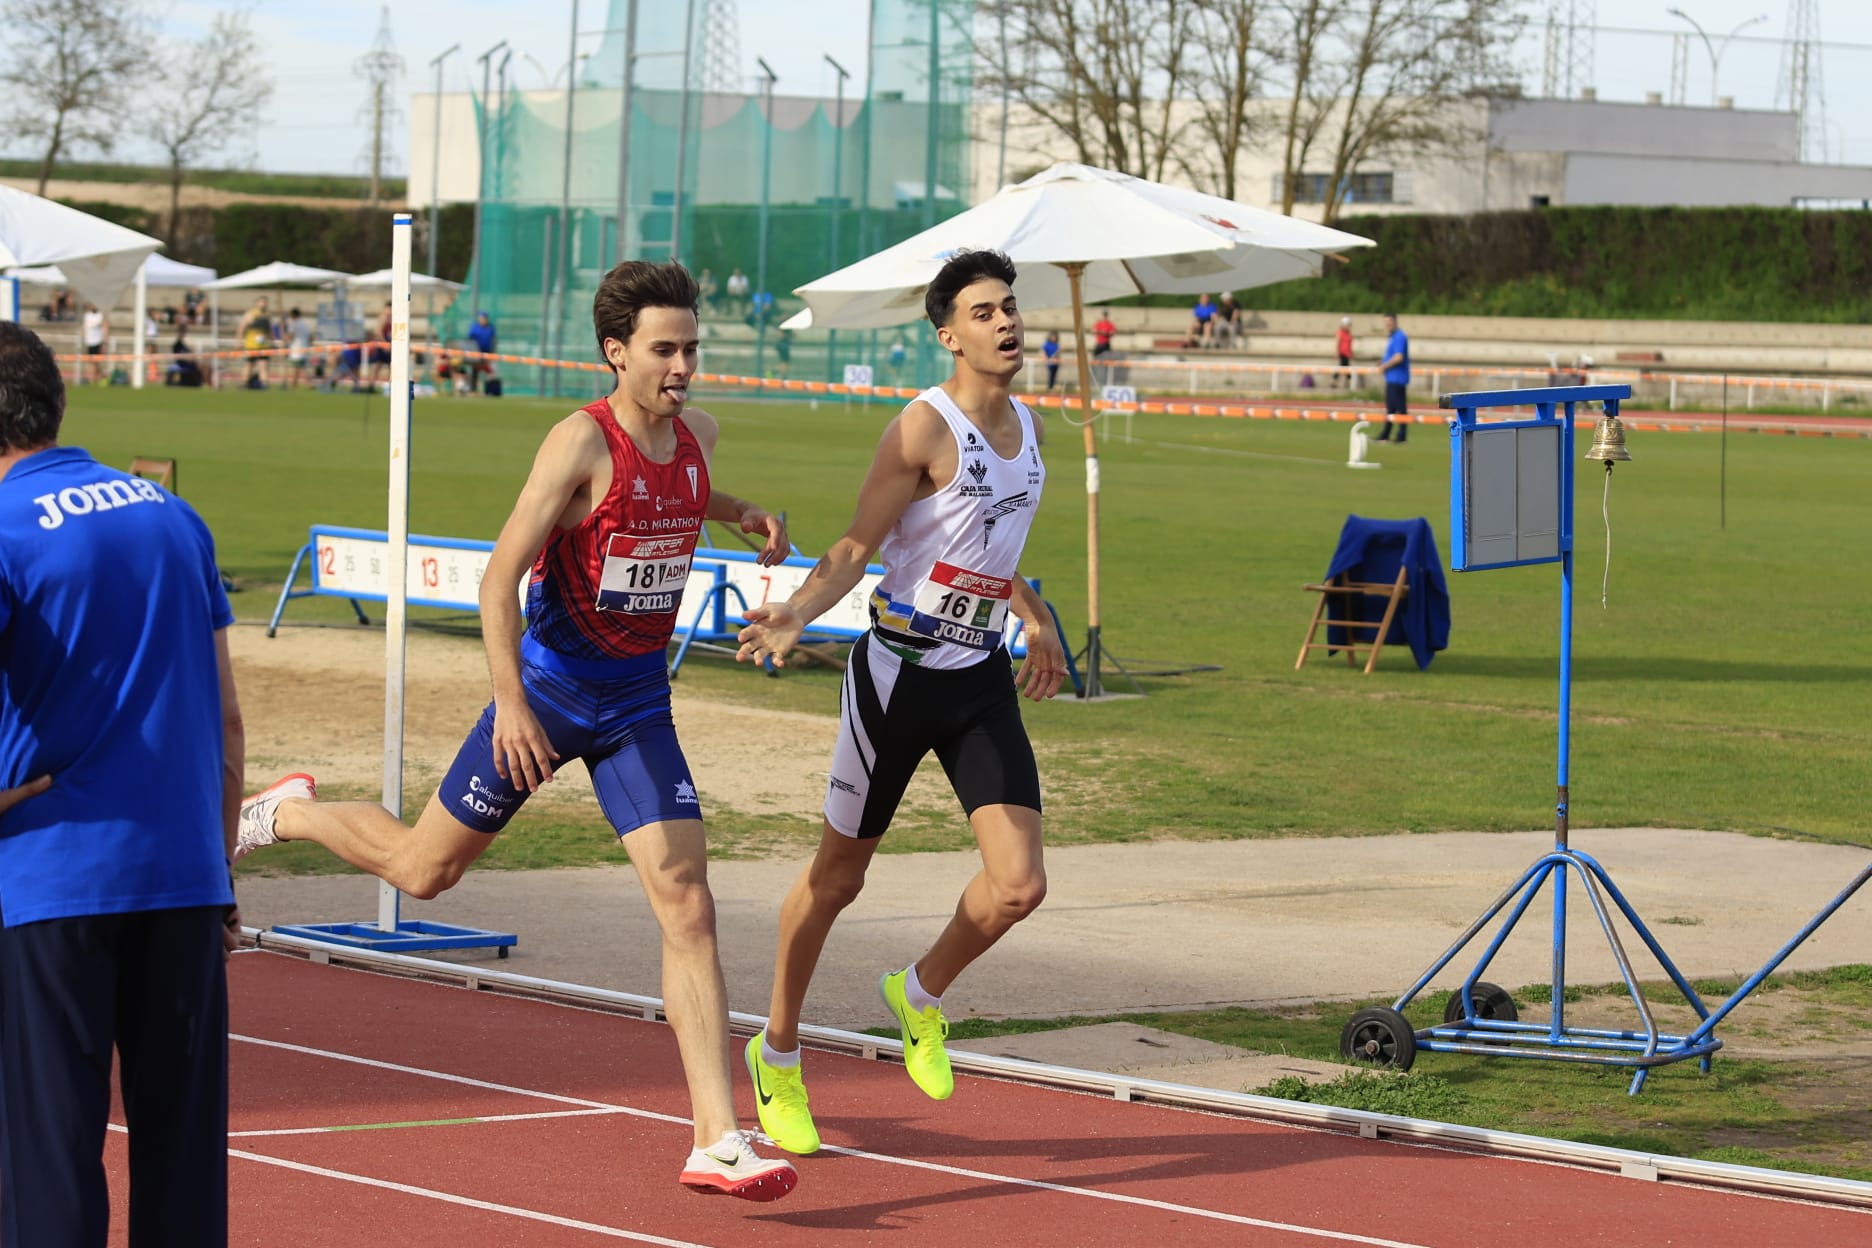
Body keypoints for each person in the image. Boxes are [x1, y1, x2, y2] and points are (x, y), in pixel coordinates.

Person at [235, 259, 799, 1203]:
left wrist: (740, 510)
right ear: (616, 353)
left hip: (635, 707)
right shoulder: (577, 444)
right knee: (425, 871)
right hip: (545, 694)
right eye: (664, 350)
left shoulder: (697, 433)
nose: (684, 367)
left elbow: (682, 492)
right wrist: (509, 700)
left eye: (692, 347)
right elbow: (500, 578)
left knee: (687, 900)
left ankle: (717, 1136)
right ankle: (290, 814)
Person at [734, 248, 1068, 1157]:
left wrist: (1035, 617)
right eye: (985, 312)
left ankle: (918, 996)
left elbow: (990, 557)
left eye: (1011, 307)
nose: (1007, 322)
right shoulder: (922, 429)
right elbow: (855, 546)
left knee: (1019, 886)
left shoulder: (1031, 428)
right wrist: (799, 613)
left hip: (979, 681)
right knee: (838, 879)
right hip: (898, 678)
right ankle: (779, 1051)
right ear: (947, 334)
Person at [0, 321, 244, 1244]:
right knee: (183, 1160)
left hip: (50, 882)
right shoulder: (174, 516)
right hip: (183, 876)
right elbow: (225, 718)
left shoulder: (7, 530)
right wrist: (219, 871)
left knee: (48, 1158)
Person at [1376, 312, 1410, 443]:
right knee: (1393, 407)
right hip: (1392, 377)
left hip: (1397, 378)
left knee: (1398, 408)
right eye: (1386, 322)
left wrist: (1385, 366)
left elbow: (1399, 357)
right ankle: (1390, 434)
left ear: (1395, 322)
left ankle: (1398, 435)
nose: (1387, 325)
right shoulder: (1393, 337)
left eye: (1389, 322)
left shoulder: (1399, 337)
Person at [239, 296, 271, 389]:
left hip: (263, 345)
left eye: (265, 302)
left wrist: (272, 341)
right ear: (257, 303)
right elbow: (241, 328)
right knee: (249, 364)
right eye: (262, 302)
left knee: (263, 364)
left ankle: (264, 384)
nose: (264, 304)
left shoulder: (267, 315)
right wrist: (239, 342)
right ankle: (244, 383)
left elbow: (269, 331)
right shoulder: (251, 314)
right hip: (251, 345)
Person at [467, 310, 497, 391]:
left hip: (487, 353)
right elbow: (470, 340)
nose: (482, 320)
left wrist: (492, 353)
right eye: (481, 318)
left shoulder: (490, 327)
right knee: (475, 372)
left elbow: (493, 340)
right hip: (476, 353)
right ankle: (473, 390)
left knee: (489, 371)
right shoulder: (474, 327)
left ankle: (489, 390)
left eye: (484, 318)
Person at [285, 307, 315, 389]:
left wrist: (285, 337)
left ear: (293, 315)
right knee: (302, 367)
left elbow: (291, 336)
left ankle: (295, 385)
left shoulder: (293, 323)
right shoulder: (305, 323)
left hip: (296, 349)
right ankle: (308, 384)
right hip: (305, 347)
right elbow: (311, 337)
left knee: (296, 367)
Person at [81, 302, 107, 383]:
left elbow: (105, 327)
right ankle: (93, 379)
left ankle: (98, 377)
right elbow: (84, 328)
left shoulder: (100, 315)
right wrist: (84, 339)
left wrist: (104, 342)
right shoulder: (87, 315)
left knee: (97, 362)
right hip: (89, 342)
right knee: (91, 362)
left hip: (98, 341)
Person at [1335, 316, 1355, 389]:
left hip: (1347, 354)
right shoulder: (1340, 332)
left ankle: (1339, 382)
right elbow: (1338, 343)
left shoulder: (1348, 333)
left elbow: (1349, 344)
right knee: (1344, 367)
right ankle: (1346, 382)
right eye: (1347, 325)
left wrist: (1351, 353)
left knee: (1344, 367)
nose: (1348, 326)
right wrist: (1337, 353)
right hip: (1342, 353)